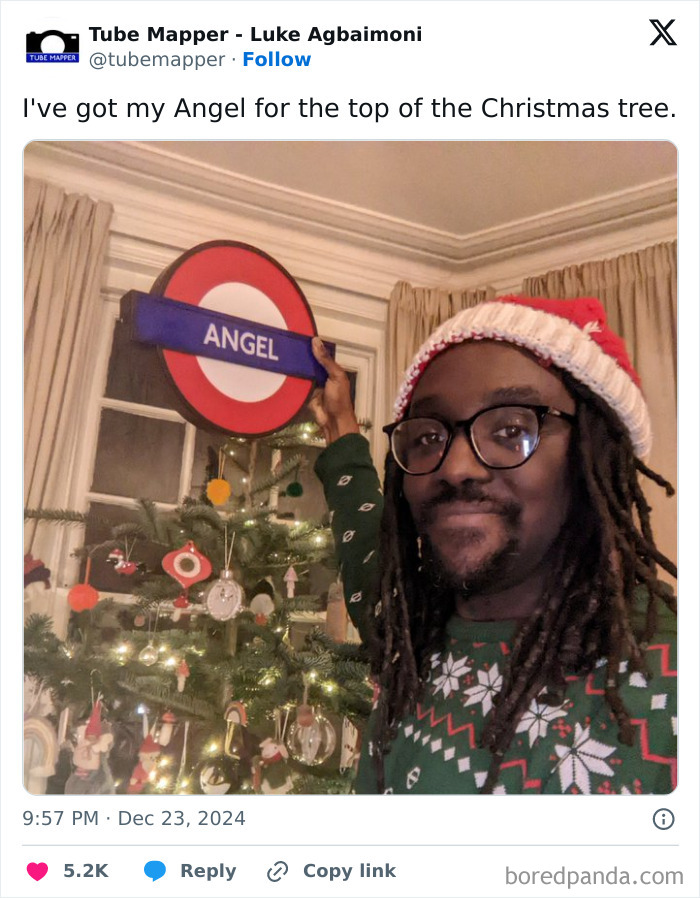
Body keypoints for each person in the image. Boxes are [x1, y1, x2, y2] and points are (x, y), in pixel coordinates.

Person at [310, 295, 677, 795]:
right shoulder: (409, 630)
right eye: (428, 437)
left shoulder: (670, 684)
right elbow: (365, 553)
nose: (456, 466)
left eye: (511, 430)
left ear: (594, 456)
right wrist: (340, 431)